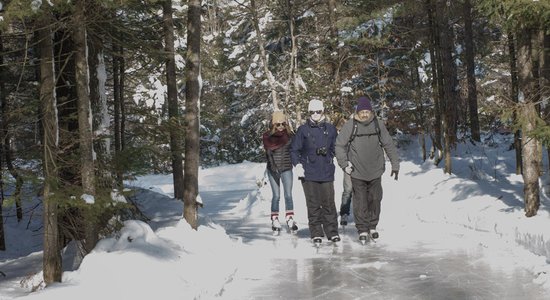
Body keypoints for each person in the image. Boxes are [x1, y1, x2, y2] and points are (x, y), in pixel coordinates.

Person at [335, 96, 400, 243]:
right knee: (360, 202)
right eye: (362, 111)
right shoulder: (351, 125)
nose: (364, 114)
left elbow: (388, 144)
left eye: (367, 111)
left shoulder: (378, 124)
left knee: (375, 199)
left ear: (371, 112)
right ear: (358, 112)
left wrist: (395, 164)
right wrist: (344, 164)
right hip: (357, 171)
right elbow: (339, 145)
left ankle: (372, 226)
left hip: (376, 170)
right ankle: (362, 229)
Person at [290, 99, 340, 245]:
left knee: (329, 203)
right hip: (309, 173)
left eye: (318, 111)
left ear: (323, 111)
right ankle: (316, 232)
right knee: (313, 204)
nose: (316, 114)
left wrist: (330, 157)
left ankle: (332, 232)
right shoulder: (303, 130)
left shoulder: (331, 129)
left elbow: (336, 148)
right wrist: (298, 165)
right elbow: (294, 150)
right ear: (309, 112)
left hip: (326, 171)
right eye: (312, 112)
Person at [262, 111, 298, 233]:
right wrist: (273, 166)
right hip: (273, 169)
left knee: (288, 194)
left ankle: (290, 217)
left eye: (283, 123)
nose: (281, 126)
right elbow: (268, 153)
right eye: (278, 124)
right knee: (276, 195)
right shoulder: (267, 137)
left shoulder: (290, 136)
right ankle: (275, 218)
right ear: (273, 125)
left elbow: (295, 150)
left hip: (286, 168)